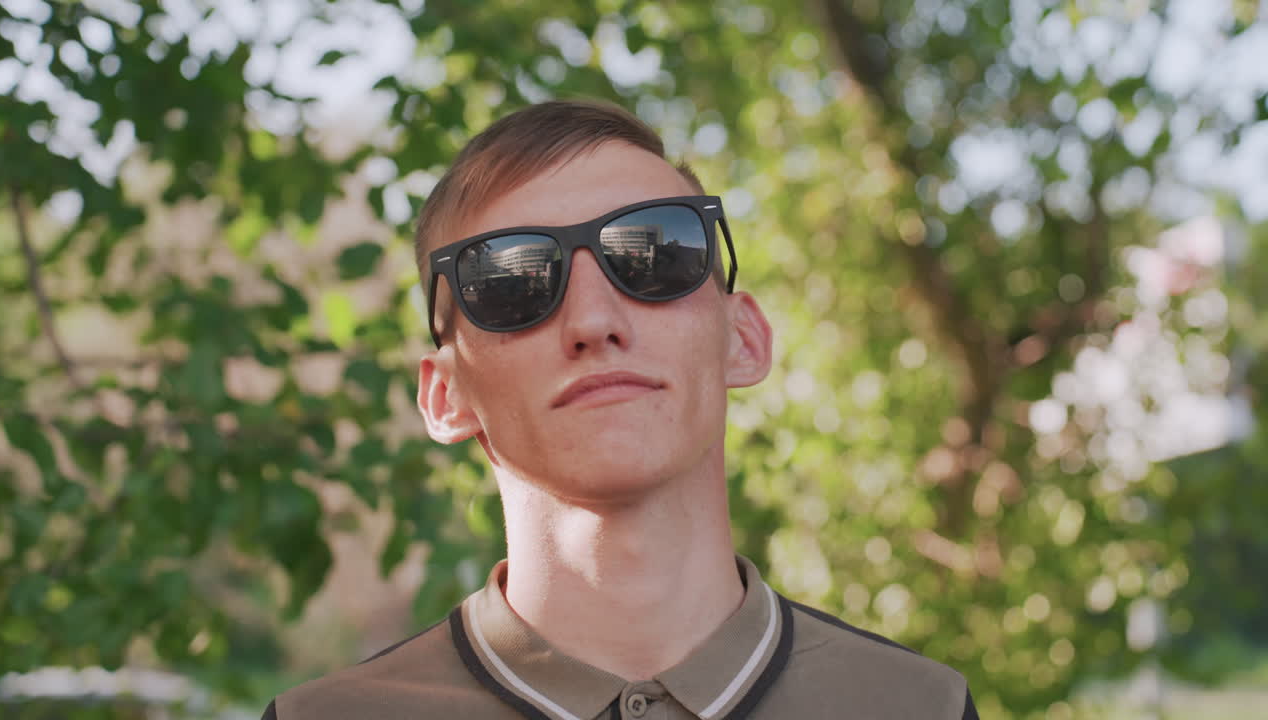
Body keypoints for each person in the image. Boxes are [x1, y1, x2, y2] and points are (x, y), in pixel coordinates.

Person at [262, 99, 979, 720]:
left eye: (655, 255)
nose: (594, 320)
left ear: (745, 339)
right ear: (446, 395)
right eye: (512, 281)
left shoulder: (920, 706)